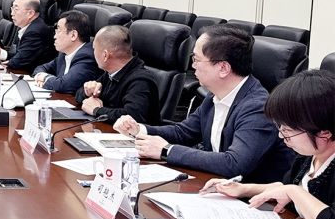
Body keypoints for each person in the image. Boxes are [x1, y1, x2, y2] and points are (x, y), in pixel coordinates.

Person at [116, 24, 292, 182]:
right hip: (215, 185)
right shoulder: (215, 95)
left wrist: (166, 150)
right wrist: (139, 130)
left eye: (196, 59)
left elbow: (235, 163)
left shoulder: (257, 107)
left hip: (251, 199)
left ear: (223, 68)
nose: (192, 66)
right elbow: (183, 132)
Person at [199, 69, 334, 219]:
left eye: (288, 130)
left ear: (324, 133)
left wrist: (294, 192)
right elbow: (286, 188)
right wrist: (243, 189)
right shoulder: (307, 157)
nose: (281, 136)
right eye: (280, 127)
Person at [75, 25, 161, 125]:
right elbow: (79, 96)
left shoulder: (141, 80)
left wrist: (97, 110)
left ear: (105, 55)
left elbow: (133, 116)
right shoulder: (111, 73)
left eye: (94, 49)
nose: (93, 53)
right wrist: (87, 92)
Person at [32, 10, 98, 95]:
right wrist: (40, 75)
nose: (54, 36)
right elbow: (41, 68)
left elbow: (65, 85)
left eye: (58, 31)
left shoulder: (87, 57)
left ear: (73, 35)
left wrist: (45, 78)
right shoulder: (64, 54)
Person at [0, 0, 53, 70]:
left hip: (33, 75)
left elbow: (18, 62)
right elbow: (20, 55)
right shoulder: (28, 26)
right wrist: (0, 53)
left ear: (30, 13)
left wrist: (2, 65)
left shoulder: (35, 32)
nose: (12, 13)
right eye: (12, 9)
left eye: (16, 9)